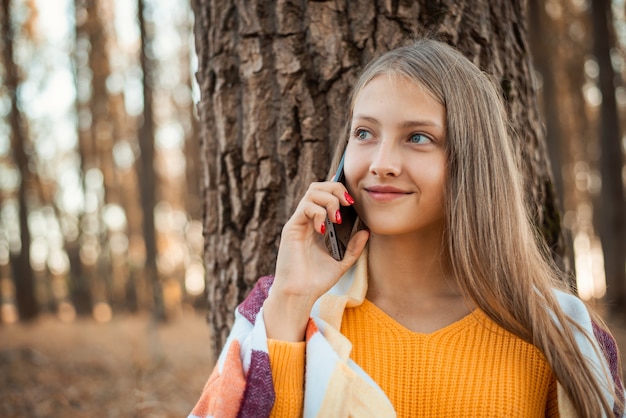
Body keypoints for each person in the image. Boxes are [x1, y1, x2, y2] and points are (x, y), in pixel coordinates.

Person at [188, 38, 625, 418]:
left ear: (472, 163)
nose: (381, 164)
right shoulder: (286, 311)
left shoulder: (558, 330)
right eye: (364, 133)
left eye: (418, 137)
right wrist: (289, 301)